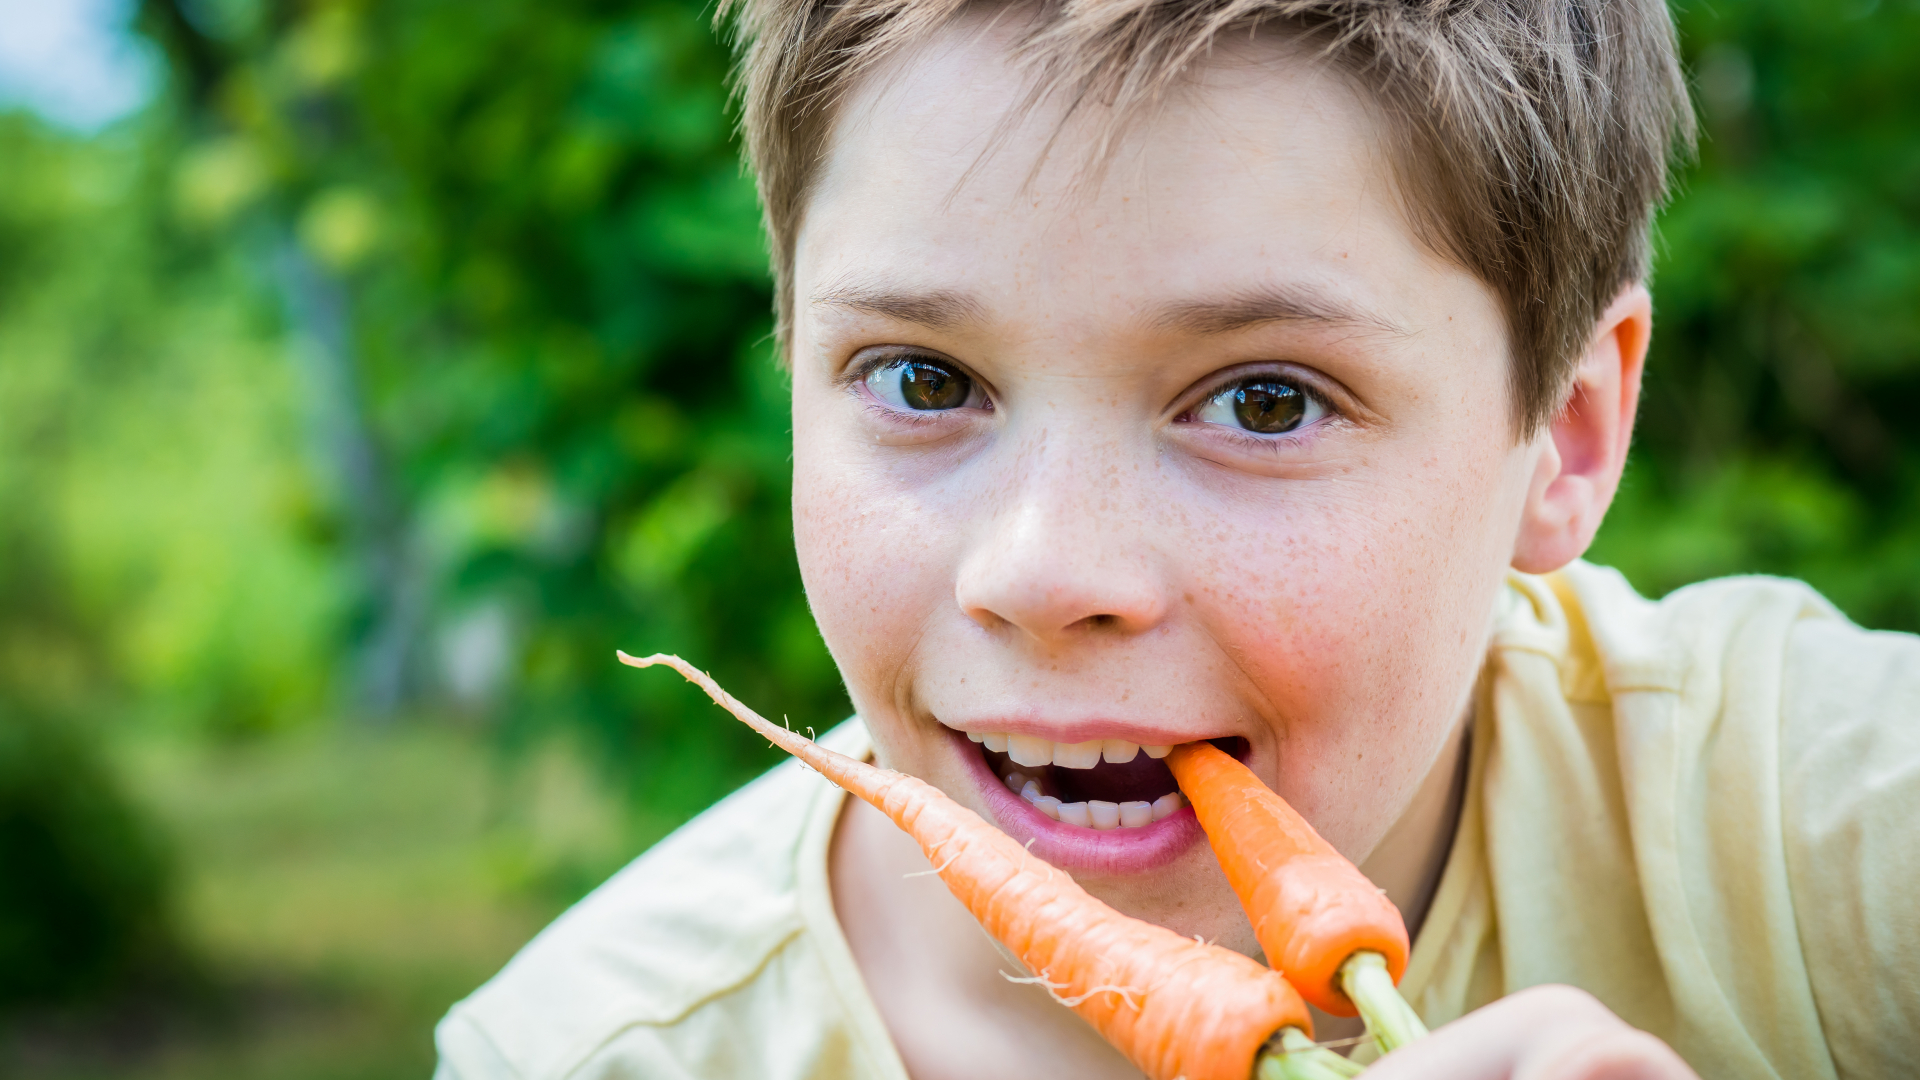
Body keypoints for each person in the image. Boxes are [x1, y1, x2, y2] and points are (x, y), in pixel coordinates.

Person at [432, 2, 1920, 1077]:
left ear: (1570, 434)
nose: (1043, 571)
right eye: (924, 381)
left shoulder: (1813, 834)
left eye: (1264, 402)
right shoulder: (586, 1053)